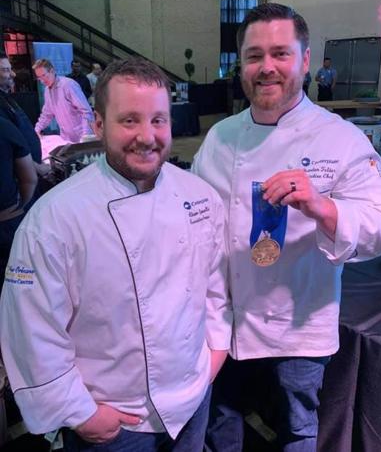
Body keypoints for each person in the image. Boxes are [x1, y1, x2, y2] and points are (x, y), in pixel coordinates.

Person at [192, 3, 381, 452]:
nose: (267, 67)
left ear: (305, 61)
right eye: (254, 55)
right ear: (241, 65)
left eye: (280, 53)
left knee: (297, 432)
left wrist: (322, 206)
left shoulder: (340, 139)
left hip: (298, 328)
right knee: (221, 428)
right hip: (223, 321)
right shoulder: (220, 138)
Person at [0, 57, 232, 452]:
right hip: (114, 423)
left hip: (193, 400)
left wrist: (216, 352)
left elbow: (214, 285)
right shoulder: (53, 218)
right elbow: (31, 329)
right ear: (98, 124)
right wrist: (80, 413)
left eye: (158, 120)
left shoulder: (200, 196)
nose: (147, 135)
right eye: (129, 120)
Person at [0, 117, 37, 290]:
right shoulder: (5, 126)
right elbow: (29, 179)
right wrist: (20, 207)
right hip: (8, 223)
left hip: (8, 224)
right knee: (19, 289)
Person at [0, 54, 49, 177]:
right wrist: (37, 168)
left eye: (10, 69)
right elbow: (10, 148)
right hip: (25, 176)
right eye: (6, 70)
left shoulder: (6, 98)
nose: (13, 74)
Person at [33, 58, 94, 143]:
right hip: (66, 137)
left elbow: (86, 111)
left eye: (44, 75)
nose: (42, 81)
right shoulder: (47, 90)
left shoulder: (68, 85)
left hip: (82, 135)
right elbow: (47, 114)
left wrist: (86, 136)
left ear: (52, 71)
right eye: (39, 78)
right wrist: (36, 130)